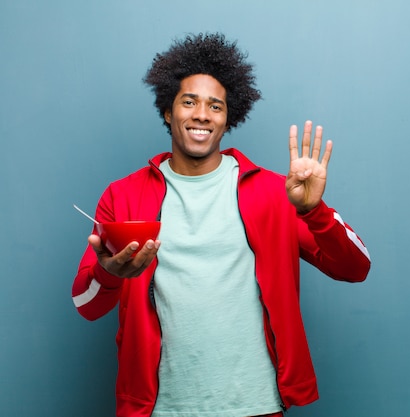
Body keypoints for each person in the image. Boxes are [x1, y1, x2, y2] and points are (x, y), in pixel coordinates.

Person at [72, 32, 371, 417]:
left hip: (256, 404)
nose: (201, 114)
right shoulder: (122, 195)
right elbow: (86, 304)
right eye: (189, 102)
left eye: (215, 106)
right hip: (161, 409)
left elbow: (355, 268)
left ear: (228, 117)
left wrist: (314, 211)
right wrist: (109, 272)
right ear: (168, 110)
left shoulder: (276, 193)